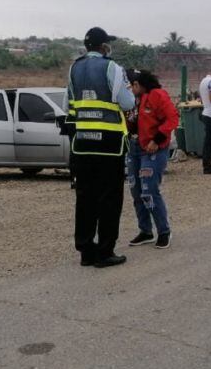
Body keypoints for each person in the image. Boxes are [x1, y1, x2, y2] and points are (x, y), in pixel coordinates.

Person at [65, 27, 136, 268]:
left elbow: (69, 105)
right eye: (108, 44)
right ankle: (105, 252)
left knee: (85, 197)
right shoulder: (112, 68)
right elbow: (128, 102)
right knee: (109, 198)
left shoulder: (74, 68)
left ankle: (86, 250)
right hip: (109, 144)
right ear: (103, 46)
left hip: (83, 144)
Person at [126, 70, 179, 249]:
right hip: (133, 148)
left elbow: (172, 118)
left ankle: (164, 231)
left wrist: (157, 140)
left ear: (139, 84)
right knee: (136, 190)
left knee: (149, 190)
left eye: (132, 84)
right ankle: (146, 231)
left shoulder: (157, 95)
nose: (129, 88)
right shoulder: (129, 100)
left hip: (152, 149)